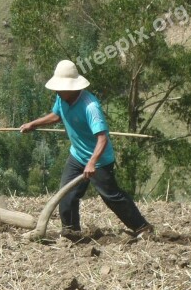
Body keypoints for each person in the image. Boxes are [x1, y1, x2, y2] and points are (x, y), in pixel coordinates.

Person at [19, 60, 153, 240]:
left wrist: (92, 162)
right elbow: (57, 115)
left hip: (99, 160)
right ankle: (71, 233)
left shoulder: (91, 107)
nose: (56, 91)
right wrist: (33, 124)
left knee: (111, 195)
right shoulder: (62, 97)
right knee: (66, 195)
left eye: (60, 87)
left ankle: (142, 227)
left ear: (72, 87)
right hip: (77, 155)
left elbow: (102, 138)